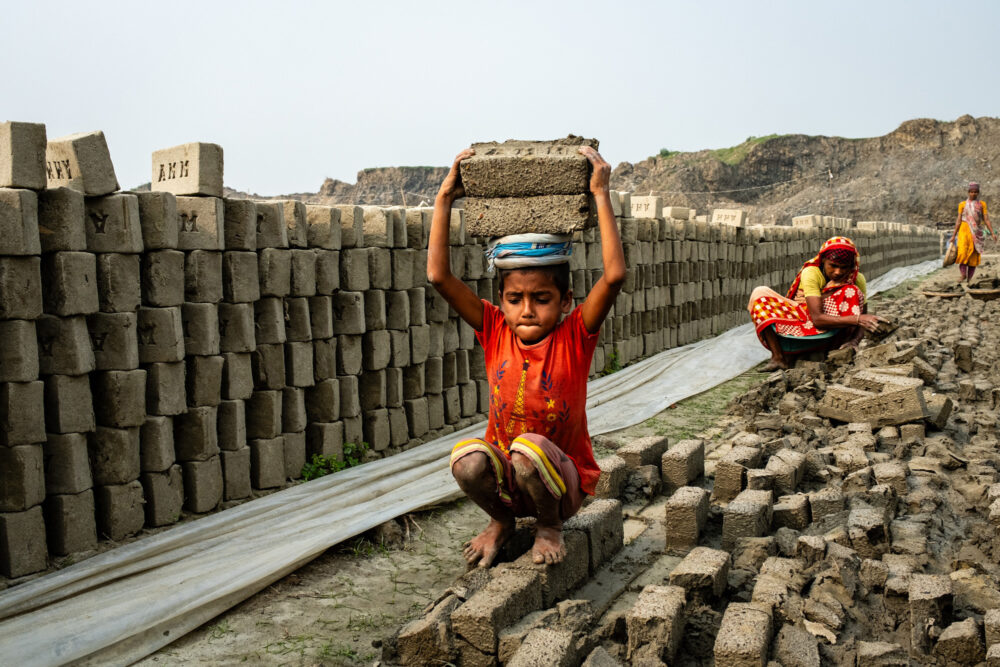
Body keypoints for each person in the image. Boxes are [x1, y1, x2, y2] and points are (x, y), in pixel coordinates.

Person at [428, 146, 625, 568]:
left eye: (541, 298)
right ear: (500, 301)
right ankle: (501, 522)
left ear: (566, 300)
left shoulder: (575, 336)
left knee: (529, 450)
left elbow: (614, 276)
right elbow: (439, 277)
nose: (528, 310)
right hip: (509, 482)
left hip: (560, 482)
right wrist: (445, 198)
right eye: (515, 299)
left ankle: (548, 528)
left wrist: (600, 194)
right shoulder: (495, 329)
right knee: (467, 460)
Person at [747, 236, 883, 371]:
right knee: (759, 292)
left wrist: (854, 341)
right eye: (833, 266)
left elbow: (863, 316)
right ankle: (778, 358)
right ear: (823, 260)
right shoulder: (811, 272)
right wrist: (858, 319)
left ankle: (833, 352)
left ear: (851, 266)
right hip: (802, 319)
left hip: (832, 328)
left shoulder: (856, 279)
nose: (838, 272)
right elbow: (817, 319)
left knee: (851, 291)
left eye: (844, 268)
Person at [950, 182, 997, 283]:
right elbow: (958, 220)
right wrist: (954, 235)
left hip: (976, 232)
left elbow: (986, 219)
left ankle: (969, 279)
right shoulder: (962, 205)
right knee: (962, 252)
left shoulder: (982, 204)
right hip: (964, 230)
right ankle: (963, 275)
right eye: (971, 192)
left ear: (978, 193)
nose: (973, 194)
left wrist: (992, 233)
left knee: (973, 255)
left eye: (975, 192)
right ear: (968, 192)